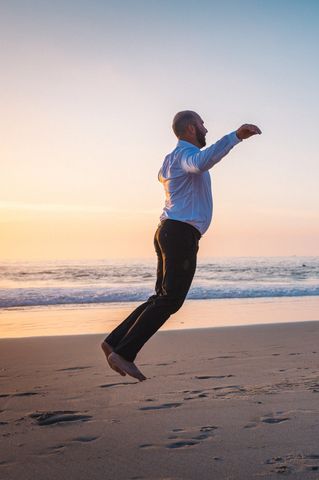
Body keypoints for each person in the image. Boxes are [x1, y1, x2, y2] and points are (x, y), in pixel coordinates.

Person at [101, 111, 261, 381]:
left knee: (161, 298)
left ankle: (114, 342)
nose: (205, 129)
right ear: (189, 128)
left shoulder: (170, 159)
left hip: (168, 230)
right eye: (201, 125)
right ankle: (124, 352)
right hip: (179, 234)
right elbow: (201, 162)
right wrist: (235, 137)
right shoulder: (186, 155)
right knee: (171, 300)